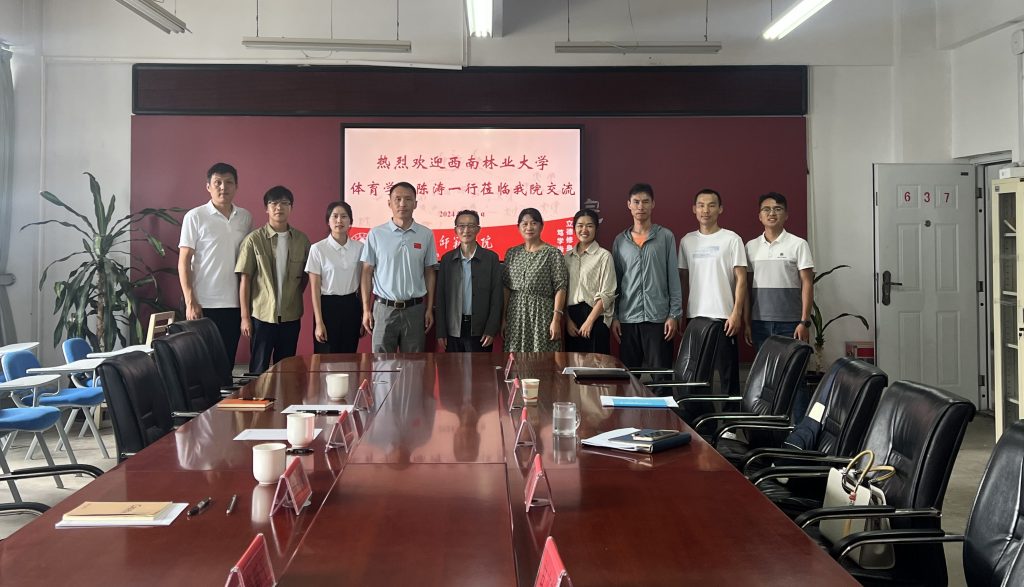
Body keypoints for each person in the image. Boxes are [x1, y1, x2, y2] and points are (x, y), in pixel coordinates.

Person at [744, 192, 814, 419]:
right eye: (766, 209)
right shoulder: (751, 247)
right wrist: (747, 322)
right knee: (765, 380)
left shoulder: (798, 244)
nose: (771, 213)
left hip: (791, 323)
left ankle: (800, 431)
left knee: (795, 378)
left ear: (786, 215)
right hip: (760, 323)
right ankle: (771, 428)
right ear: (759, 216)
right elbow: (746, 288)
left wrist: (804, 321)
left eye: (777, 209)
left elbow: (807, 283)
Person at [177, 162, 252, 365]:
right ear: (208, 186)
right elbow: (183, 261)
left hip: (234, 303)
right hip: (203, 302)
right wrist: (190, 301)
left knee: (226, 362)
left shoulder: (245, 218)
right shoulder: (195, 216)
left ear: (236, 186)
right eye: (217, 182)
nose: (223, 187)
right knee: (200, 363)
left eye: (229, 182)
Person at [235, 186, 311, 374]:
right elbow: (245, 280)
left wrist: (291, 296)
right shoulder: (253, 240)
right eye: (274, 203)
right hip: (262, 316)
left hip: (291, 315)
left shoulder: (301, 240)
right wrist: (245, 318)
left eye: (285, 203)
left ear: (291, 208)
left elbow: (305, 277)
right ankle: (256, 394)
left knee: (286, 370)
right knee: (258, 369)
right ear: (266, 208)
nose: (279, 207)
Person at [678, 188, 747, 393]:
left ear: (720, 209)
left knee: (728, 377)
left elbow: (741, 279)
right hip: (696, 318)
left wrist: (736, 313)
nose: (705, 210)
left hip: (724, 318)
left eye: (711, 205)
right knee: (698, 377)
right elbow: (683, 280)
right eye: (701, 205)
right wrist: (681, 314)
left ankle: (730, 415)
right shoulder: (687, 241)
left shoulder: (732, 239)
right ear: (694, 209)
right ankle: (701, 415)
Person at [611, 183, 682, 371]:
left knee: (661, 377)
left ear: (653, 204)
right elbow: (615, 283)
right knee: (629, 377)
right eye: (636, 202)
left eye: (645, 202)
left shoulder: (665, 237)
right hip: (628, 318)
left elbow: (673, 279)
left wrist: (674, 315)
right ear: (629, 205)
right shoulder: (620, 241)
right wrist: (615, 316)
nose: (640, 206)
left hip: (658, 319)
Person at [360, 182, 438, 352]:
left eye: (408, 199)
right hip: (383, 309)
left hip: (415, 310)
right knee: (381, 363)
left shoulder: (425, 234)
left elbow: (430, 272)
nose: (402, 204)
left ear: (415, 204)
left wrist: (429, 308)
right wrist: (366, 309)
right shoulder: (376, 234)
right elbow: (367, 272)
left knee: (414, 364)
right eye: (398, 199)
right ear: (389, 203)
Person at [435, 210, 503, 352]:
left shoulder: (491, 259)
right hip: (454, 329)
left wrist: (491, 329)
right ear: (455, 230)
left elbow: (497, 298)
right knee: (453, 366)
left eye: (471, 226)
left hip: (480, 329)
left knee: (480, 366)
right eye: (462, 226)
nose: (466, 230)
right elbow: (440, 298)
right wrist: (441, 332)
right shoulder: (447, 259)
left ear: (478, 229)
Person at [503, 208, 568, 352]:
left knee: (542, 356)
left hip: (542, 313)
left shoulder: (553, 253)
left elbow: (560, 288)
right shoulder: (512, 253)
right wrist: (503, 318)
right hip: (515, 314)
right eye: (524, 224)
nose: (529, 227)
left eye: (534, 223)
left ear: (541, 226)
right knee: (516, 358)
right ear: (518, 227)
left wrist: (556, 320)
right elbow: (506, 287)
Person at [305, 201, 364, 353]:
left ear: (351, 221)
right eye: (335, 216)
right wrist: (319, 322)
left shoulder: (360, 248)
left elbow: (363, 284)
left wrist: (363, 314)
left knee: (349, 356)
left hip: (352, 306)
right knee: (326, 357)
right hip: (327, 307)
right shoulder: (318, 249)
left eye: (344, 216)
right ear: (328, 221)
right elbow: (315, 289)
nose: (339, 221)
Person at [564, 209, 616, 354]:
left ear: (596, 228)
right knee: (572, 364)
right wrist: (567, 320)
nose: (584, 230)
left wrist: (589, 321)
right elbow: (562, 291)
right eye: (580, 225)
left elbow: (608, 293)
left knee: (596, 365)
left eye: (589, 226)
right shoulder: (567, 257)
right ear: (574, 228)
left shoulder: (604, 256)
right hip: (572, 319)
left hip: (596, 317)